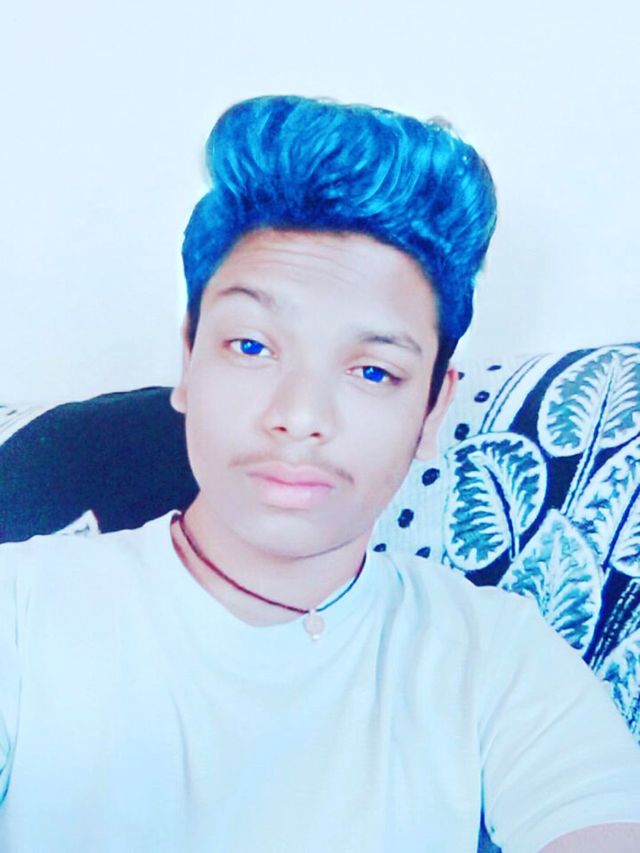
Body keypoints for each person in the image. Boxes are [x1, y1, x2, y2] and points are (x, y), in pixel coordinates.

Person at [1, 95, 639, 853]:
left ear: (432, 409)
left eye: (373, 371)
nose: (300, 415)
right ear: (189, 358)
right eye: (251, 347)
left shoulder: (495, 658)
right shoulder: (23, 610)